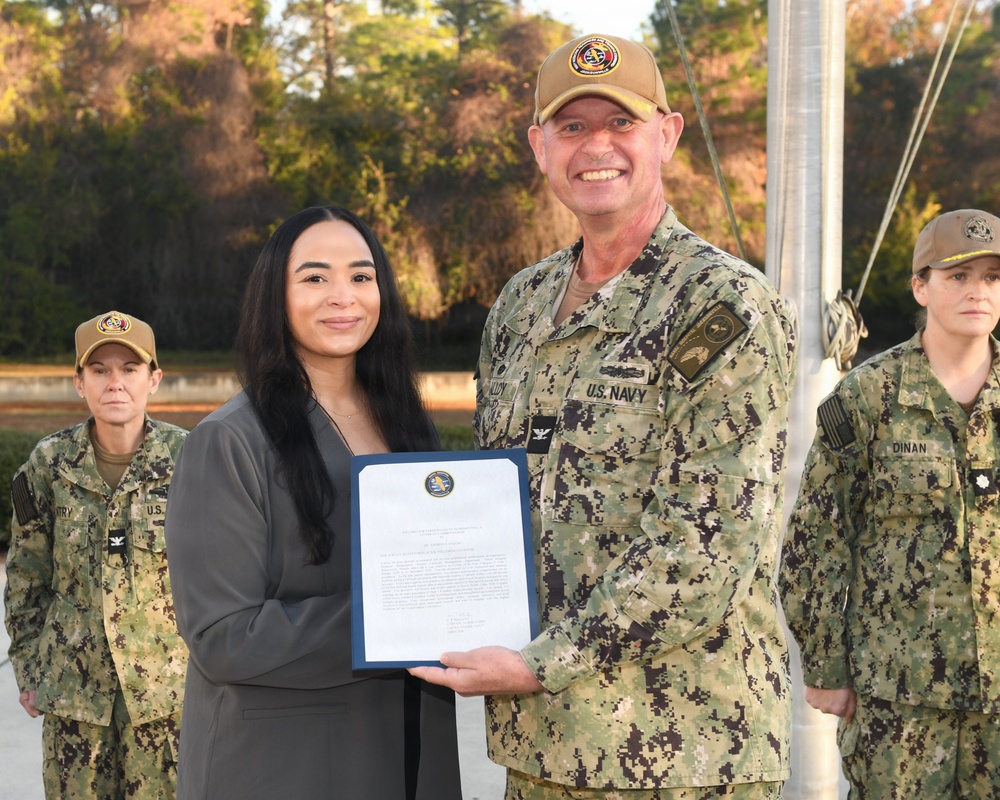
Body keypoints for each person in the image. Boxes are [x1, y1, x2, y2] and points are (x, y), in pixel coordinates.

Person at [410, 33, 797, 798]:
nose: (597, 147)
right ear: (540, 147)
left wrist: (538, 663)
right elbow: (495, 504)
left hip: (684, 754)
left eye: (622, 122)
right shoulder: (521, 305)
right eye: (573, 127)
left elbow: (707, 546)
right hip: (543, 751)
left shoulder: (722, 305)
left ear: (667, 135)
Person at [162, 205, 462, 800]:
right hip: (284, 767)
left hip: (410, 754)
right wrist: (397, 618)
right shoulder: (229, 441)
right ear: (275, 295)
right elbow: (224, 636)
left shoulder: (409, 429)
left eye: (361, 275)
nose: (342, 296)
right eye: (315, 276)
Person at [779, 208, 1000, 798]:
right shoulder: (868, 396)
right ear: (921, 287)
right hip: (899, 698)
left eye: (992, 277)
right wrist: (825, 666)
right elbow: (817, 540)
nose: (978, 291)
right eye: (958, 275)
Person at [4, 310, 188, 799]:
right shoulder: (49, 464)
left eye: (129, 369)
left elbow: (221, 573)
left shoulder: (190, 460)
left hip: (165, 695)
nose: (115, 383)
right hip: (73, 697)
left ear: (154, 379)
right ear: (79, 383)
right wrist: (29, 670)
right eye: (99, 370)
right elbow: (25, 576)